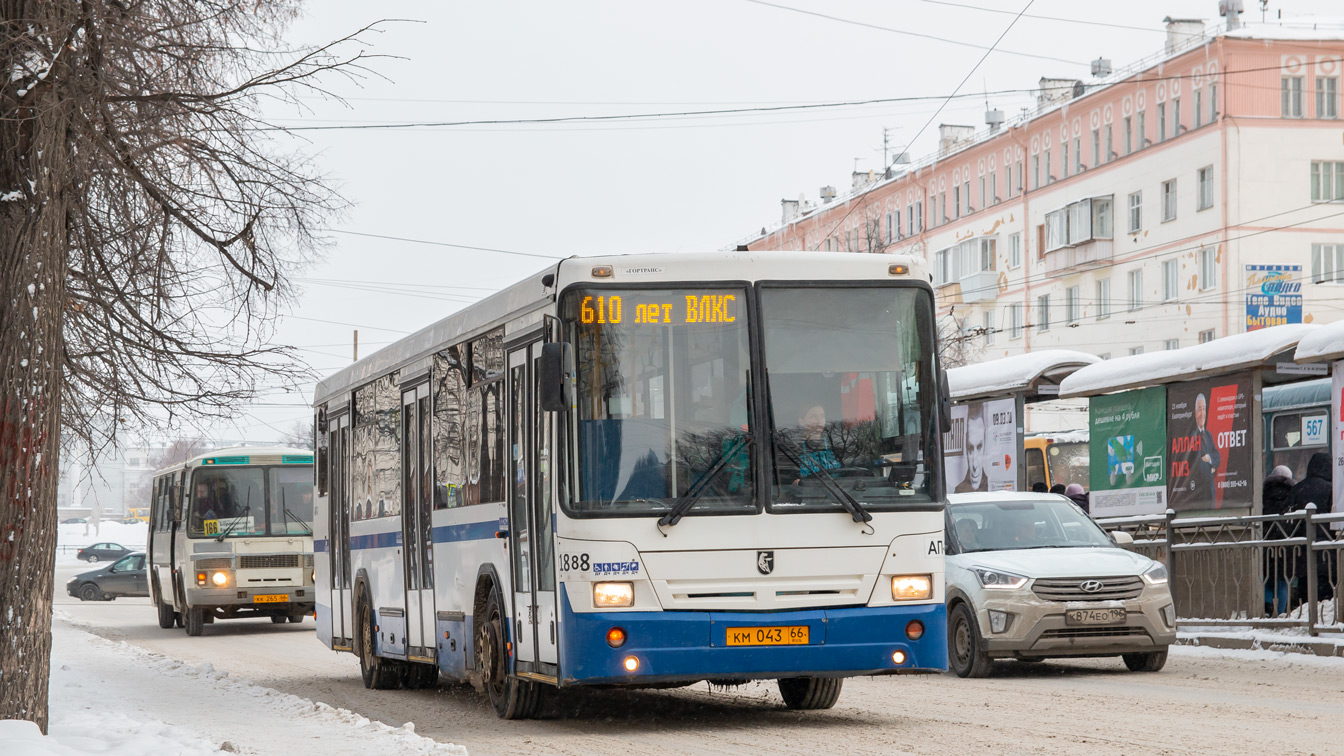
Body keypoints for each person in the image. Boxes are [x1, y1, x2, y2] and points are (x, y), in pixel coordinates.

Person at [1288, 452, 1334, 601]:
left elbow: (1290, 521)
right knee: (1327, 598)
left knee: (1306, 594)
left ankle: (1307, 619)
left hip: (1302, 552)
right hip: (1327, 552)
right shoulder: (1331, 489)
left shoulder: (1297, 489)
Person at [1262, 465, 1297, 615]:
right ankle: (1281, 612)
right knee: (1283, 580)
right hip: (1285, 541)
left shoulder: (1264, 492)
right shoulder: (1293, 493)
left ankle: (1268, 606)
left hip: (1267, 539)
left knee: (1267, 577)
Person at [1189, 393, 1221, 505]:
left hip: (1210, 493)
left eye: (1204, 409)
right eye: (1199, 409)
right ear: (1195, 413)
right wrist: (1211, 469)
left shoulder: (1208, 435)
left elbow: (1218, 457)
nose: (1202, 413)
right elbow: (1198, 464)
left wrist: (1209, 458)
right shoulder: (1192, 436)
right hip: (1200, 494)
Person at [795, 402, 841, 479]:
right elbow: (789, 479)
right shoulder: (794, 448)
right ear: (801, 421)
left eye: (822, 416)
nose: (819, 420)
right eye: (813, 417)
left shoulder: (835, 444)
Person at [954, 406, 988, 493]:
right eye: (970, 449)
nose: (975, 465)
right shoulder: (959, 490)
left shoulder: (995, 490)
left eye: (979, 447)